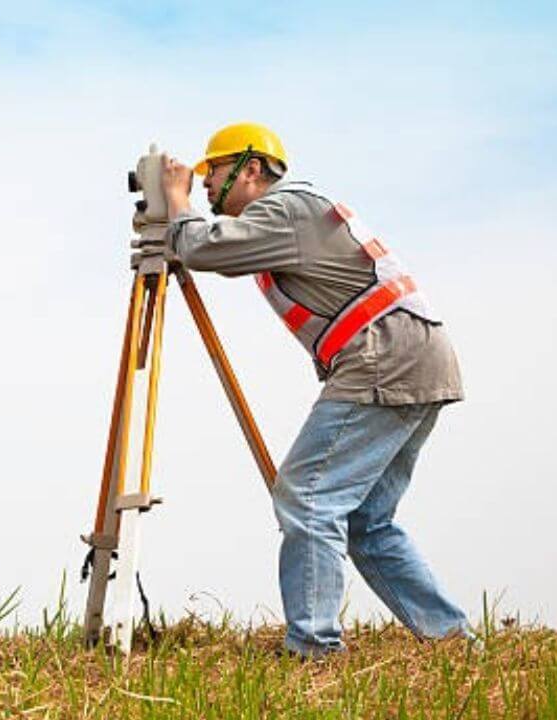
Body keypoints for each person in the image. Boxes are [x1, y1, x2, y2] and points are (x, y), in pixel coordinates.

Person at [143, 122, 471, 657]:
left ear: (252, 170)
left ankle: (314, 648)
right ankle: (452, 641)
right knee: (365, 520)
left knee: (308, 497)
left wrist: (175, 204)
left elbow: (204, 249)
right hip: (415, 356)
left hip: (384, 357)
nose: (204, 184)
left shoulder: (284, 208)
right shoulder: (295, 213)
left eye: (214, 171)